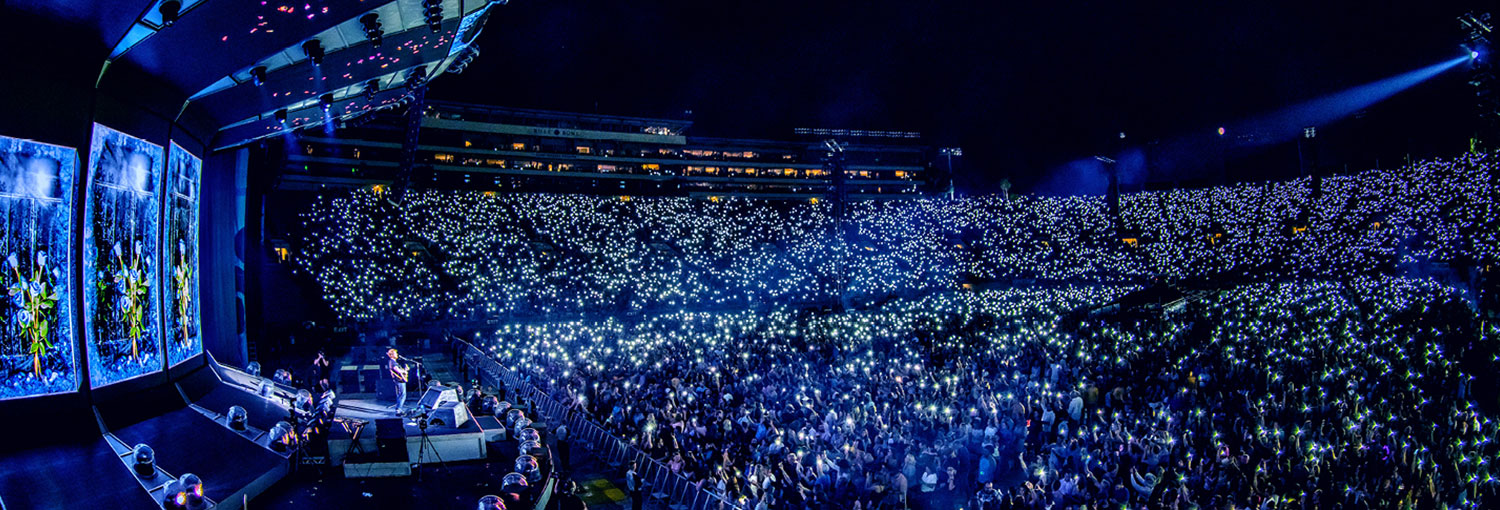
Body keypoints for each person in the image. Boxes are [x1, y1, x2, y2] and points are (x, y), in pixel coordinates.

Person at [386, 348, 409, 414]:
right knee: (402, 395)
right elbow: (397, 370)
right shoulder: (392, 362)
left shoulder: (392, 362)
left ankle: (399, 408)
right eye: (396, 354)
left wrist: (405, 370)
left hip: (399, 380)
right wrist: (404, 371)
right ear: (392, 355)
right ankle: (399, 409)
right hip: (399, 380)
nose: (397, 355)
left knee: (400, 394)